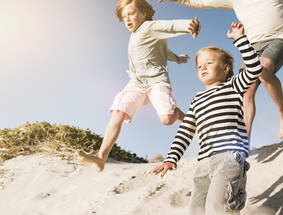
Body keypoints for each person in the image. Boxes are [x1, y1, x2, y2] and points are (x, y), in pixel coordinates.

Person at [159, 0, 283, 141]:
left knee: (262, 68)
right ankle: (244, 140)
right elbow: (201, 2)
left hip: (278, 40)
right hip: (251, 47)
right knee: (245, 93)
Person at [153, 22, 262, 215]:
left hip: (230, 156)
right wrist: (172, 158)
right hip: (204, 163)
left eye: (209, 63)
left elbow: (255, 68)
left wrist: (240, 40)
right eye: (199, 66)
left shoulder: (232, 86)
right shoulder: (197, 99)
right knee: (196, 212)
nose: (203, 67)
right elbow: (185, 131)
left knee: (216, 206)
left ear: (226, 68)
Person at [76, 0, 200, 172]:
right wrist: (178, 58)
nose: (127, 19)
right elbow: (162, 52)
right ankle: (101, 157)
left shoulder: (149, 27)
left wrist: (189, 26)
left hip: (156, 82)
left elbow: (169, 26)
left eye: (131, 13)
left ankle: (188, 120)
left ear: (143, 13)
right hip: (137, 83)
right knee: (119, 111)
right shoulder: (135, 35)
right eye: (124, 16)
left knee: (167, 119)